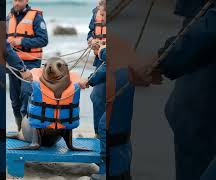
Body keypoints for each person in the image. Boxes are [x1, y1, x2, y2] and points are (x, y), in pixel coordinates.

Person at [128, 1, 216, 179]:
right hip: (200, 15)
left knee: (192, 119)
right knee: (186, 117)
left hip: (207, 28)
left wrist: (165, 58)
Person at [7, 0, 48, 131]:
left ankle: (29, 129)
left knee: (26, 94)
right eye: (15, 0)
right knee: (14, 99)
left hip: (31, 63)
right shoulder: (8, 18)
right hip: (13, 64)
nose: (16, 3)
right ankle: (20, 129)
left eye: (20, 0)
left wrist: (21, 40)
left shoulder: (36, 17)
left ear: (26, 1)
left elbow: (43, 40)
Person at [87, 0, 107, 136]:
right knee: (97, 97)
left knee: (98, 96)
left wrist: (88, 81)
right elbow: (90, 32)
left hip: (112, 61)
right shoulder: (96, 12)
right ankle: (98, 134)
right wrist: (91, 41)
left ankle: (102, 134)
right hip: (99, 61)